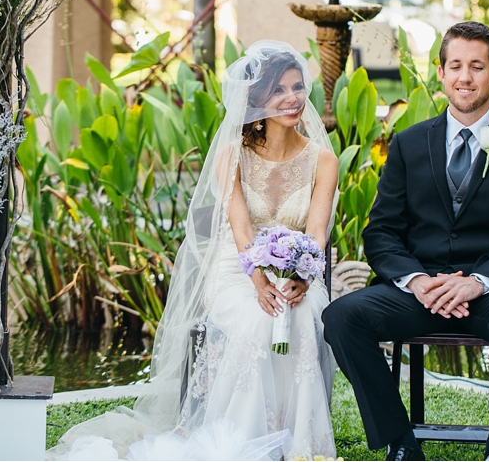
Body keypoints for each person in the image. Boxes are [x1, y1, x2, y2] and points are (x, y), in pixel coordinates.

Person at [52, 41, 341, 461]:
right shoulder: (232, 156)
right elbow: (240, 230)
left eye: (297, 87)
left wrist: (301, 278)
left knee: (302, 314)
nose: (292, 99)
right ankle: (243, 444)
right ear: (257, 99)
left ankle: (300, 446)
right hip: (236, 272)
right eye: (278, 90)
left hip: (298, 273)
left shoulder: (323, 160)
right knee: (258, 320)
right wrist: (259, 281)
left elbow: (316, 233)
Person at [323, 22, 489, 462]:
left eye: (477, 66)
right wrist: (416, 281)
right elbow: (381, 232)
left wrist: (479, 280)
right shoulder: (408, 144)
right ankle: (400, 442)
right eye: (456, 65)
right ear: (441, 72)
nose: (465, 77)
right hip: (424, 292)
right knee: (342, 317)